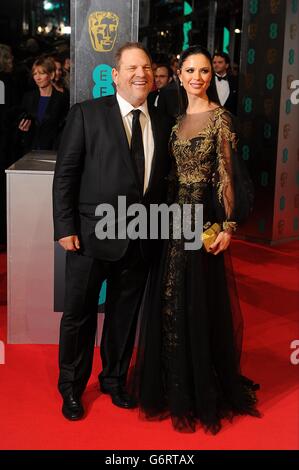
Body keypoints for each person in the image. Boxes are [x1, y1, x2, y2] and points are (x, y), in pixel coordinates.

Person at [130, 45, 260, 434]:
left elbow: (229, 176)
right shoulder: (174, 120)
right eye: (191, 70)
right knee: (169, 298)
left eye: (205, 71)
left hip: (202, 220)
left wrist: (228, 226)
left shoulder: (222, 119)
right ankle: (173, 383)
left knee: (197, 301)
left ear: (211, 76)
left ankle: (197, 386)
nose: (198, 77)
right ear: (179, 73)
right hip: (173, 219)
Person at [52, 42, 173, 421]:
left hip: (141, 238)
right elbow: (66, 174)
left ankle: (114, 379)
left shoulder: (163, 120)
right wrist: (65, 226)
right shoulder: (86, 114)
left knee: (125, 313)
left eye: (147, 68)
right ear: (115, 75)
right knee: (79, 315)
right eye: (132, 68)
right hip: (89, 236)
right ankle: (71, 387)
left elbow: (163, 184)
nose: (142, 74)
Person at [17, 55, 69, 156]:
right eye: (35, 74)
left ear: (52, 75)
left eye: (41, 73)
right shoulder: (28, 97)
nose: (37, 77)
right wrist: (22, 128)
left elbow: (64, 127)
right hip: (30, 151)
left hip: (54, 151)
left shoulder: (61, 99)